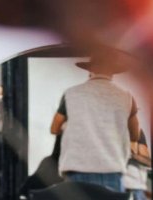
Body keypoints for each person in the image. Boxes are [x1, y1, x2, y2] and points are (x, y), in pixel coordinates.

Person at [50, 56, 139, 192]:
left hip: (77, 168)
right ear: (112, 73)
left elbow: (54, 128)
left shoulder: (72, 93)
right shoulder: (126, 96)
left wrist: (70, 126)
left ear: (90, 71)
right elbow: (135, 133)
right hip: (112, 168)